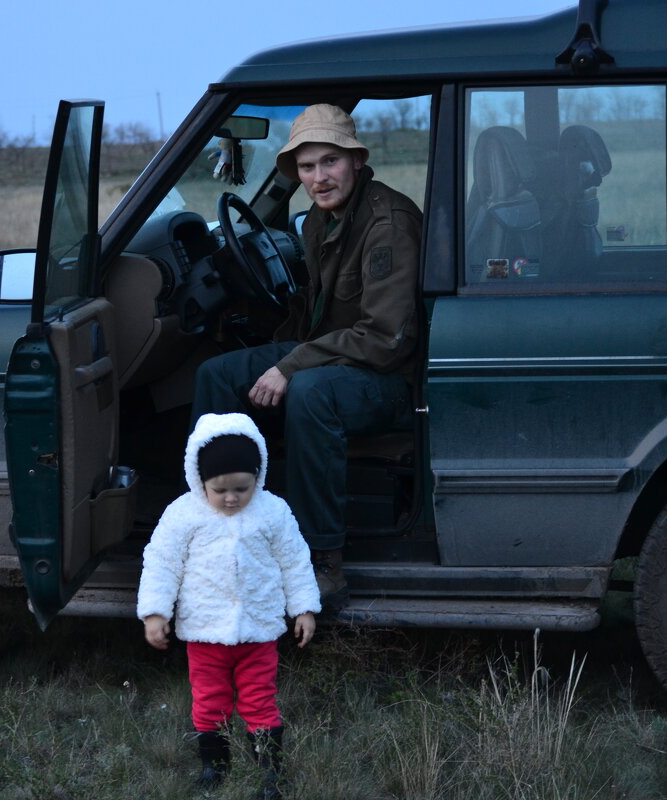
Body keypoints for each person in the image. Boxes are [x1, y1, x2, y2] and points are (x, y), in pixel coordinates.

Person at [192, 103, 423, 609]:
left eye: (330, 162)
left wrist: (288, 365)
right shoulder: (319, 221)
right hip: (336, 358)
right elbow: (311, 315)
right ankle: (217, 531)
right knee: (218, 374)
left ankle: (321, 562)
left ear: (355, 161)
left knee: (311, 392)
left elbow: (384, 338)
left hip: (387, 379)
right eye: (306, 167)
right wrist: (271, 351)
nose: (319, 178)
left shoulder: (387, 224)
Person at [137, 412, 320, 798]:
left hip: (258, 631)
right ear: (199, 480)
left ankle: (272, 773)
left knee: (259, 700)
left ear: (259, 476)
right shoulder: (184, 514)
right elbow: (162, 563)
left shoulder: (272, 512)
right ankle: (214, 766)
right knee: (209, 701)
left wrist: (303, 607)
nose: (232, 497)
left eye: (243, 487)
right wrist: (155, 612)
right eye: (220, 490)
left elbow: (294, 560)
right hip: (205, 633)